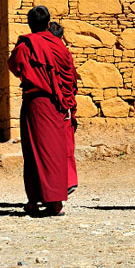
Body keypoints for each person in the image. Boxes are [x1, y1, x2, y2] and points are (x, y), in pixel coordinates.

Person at [8, 7, 79, 217]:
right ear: (49, 25)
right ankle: (56, 203)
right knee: (54, 152)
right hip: (57, 104)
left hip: (36, 102)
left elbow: (15, 66)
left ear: (30, 24)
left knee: (33, 152)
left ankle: (34, 202)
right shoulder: (59, 45)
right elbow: (69, 74)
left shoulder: (26, 44)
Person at [48, 21, 78, 196]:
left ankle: (63, 181)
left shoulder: (51, 52)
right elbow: (71, 79)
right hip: (66, 101)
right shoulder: (65, 52)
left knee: (54, 145)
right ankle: (70, 179)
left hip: (56, 102)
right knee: (66, 144)